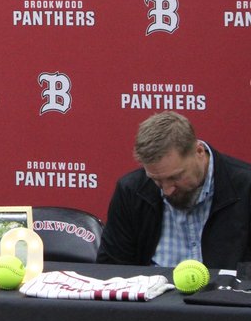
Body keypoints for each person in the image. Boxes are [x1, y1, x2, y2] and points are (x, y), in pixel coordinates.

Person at [98, 111, 251, 268]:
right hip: (153, 289)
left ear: (198, 151)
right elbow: (112, 269)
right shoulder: (131, 190)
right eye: (156, 180)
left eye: (175, 177)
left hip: (226, 290)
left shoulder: (245, 187)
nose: (167, 191)